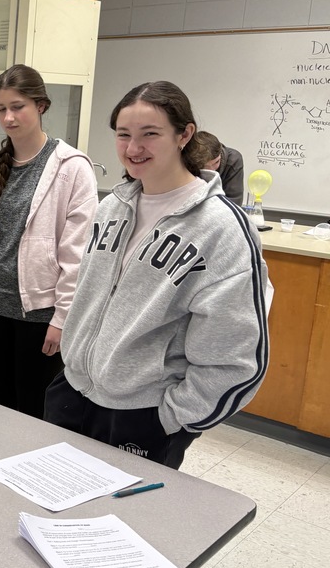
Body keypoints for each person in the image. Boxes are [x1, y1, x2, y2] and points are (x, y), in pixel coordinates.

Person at [45, 81, 270, 469]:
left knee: (122, 525)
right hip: (73, 391)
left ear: (185, 135)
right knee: (50, 509)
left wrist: (173, 418)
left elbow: (235, 356)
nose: (133, 149)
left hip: (143, 414)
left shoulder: (221, 228)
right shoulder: (111, 208)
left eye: (150, 134)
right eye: (123, 135)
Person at [0, 64, 98, 419]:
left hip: (41, 314)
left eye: (18, 107)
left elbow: (77, 254)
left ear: (41, 106)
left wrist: (62, 318)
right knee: (0, 405)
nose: (9, 117)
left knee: (36, 412)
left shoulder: (72, 167)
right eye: (1, 109)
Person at [195, 130, 244, 205]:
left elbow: (234, 202)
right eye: (203, 166)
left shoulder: (233, 160)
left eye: (216, 162)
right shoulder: (184, 161)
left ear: (220, 153)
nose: (212, 170)